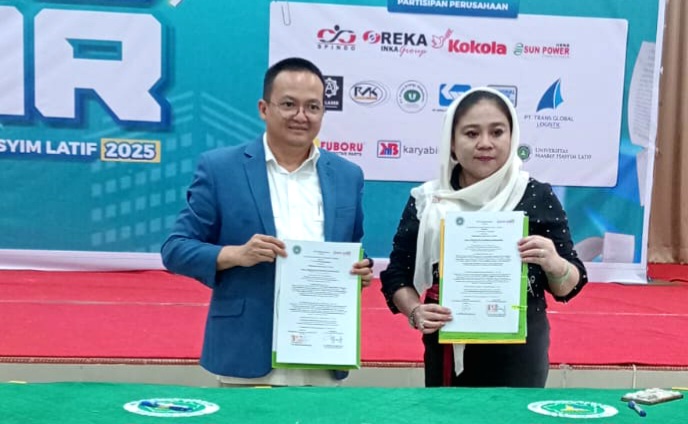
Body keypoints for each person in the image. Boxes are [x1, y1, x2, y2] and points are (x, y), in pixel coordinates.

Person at [161, 57, 373, 387]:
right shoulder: (220, 169)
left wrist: (360, 270)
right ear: (264, 108)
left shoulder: (348, 175)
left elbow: (353, 248)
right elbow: (175, 249)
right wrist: (235, 254)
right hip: (246, 351)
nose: (301, 116)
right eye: (288, 104)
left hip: (322, 350)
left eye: (313, 107)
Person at [380, 87, 587, 388]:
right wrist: (415, 311)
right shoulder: (428, 200)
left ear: (512, 138)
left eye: (497, 132)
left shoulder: (535, 195)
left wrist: (554, 263)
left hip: (519, 350)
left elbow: (569, 285)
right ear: (452, 143)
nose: (485, 143)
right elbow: (397, 275)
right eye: (471, 133)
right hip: (445, 344)